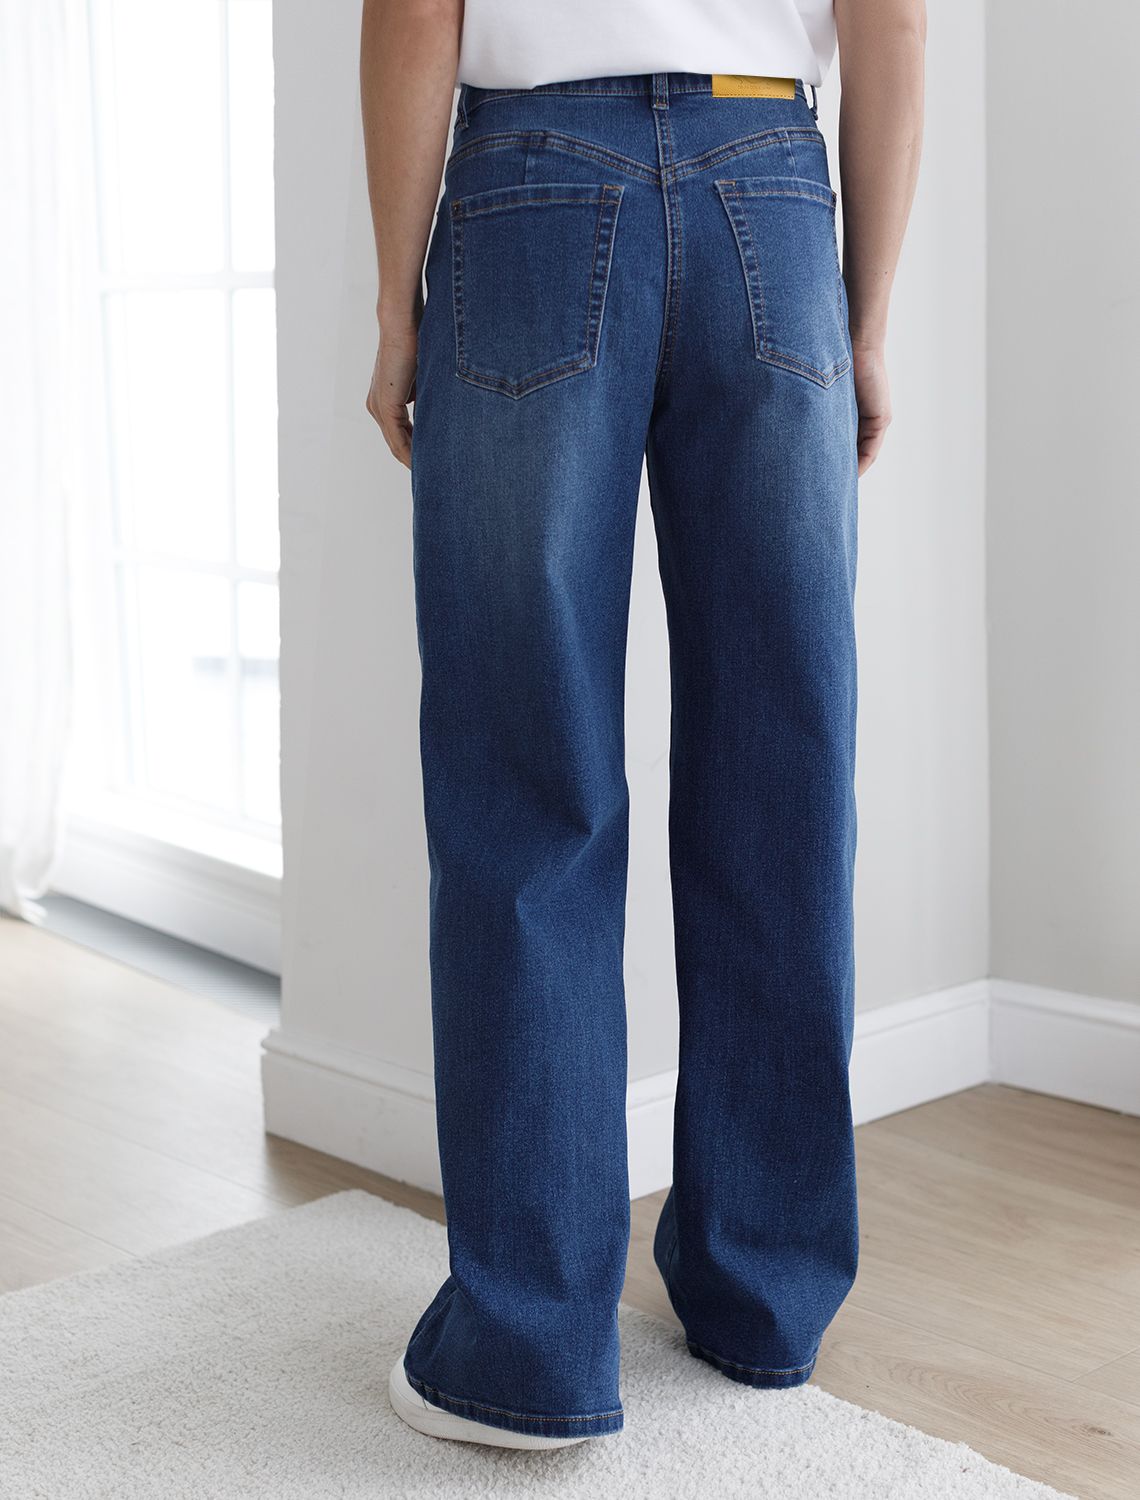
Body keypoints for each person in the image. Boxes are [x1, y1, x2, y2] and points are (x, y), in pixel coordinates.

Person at [362, 0, 925, 1452]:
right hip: (771, 193)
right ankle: (762, 1297)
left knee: (524, 776)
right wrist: (864, 319)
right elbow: (890, 18)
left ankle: (527, 1350)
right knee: (781, 775)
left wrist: (397, 306)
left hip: (532, 191)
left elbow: (417, 10)